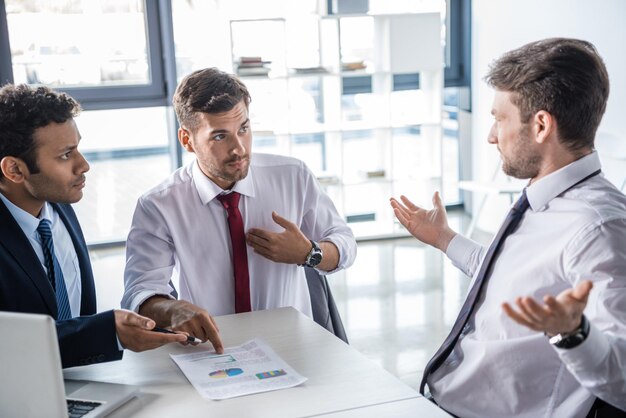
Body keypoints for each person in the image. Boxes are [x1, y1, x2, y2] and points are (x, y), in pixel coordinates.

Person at [391, 38, 626, 418]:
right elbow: (515, 275)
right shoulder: (546, 198)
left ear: (541, 125)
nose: (490, 135)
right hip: (446, 402)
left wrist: (573, 333)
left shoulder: (598, 228)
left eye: (499, 118)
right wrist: (445, 239)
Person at [122, 68, 357, 352]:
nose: (239, 149)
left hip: (294, 347)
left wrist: (310, 253)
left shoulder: (292, 176)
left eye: (243, 129)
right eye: (220, 137)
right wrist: (172, 310)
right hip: (212, 352)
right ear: (187, 140)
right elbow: (140, 290)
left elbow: (345, 242)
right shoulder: (159, 205)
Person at [0, 84, 188, 369]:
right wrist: (105, 333)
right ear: (14, 170)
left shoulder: (58, 206)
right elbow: (8, 347)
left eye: (78, 148)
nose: (83, 165)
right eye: (65, 155)